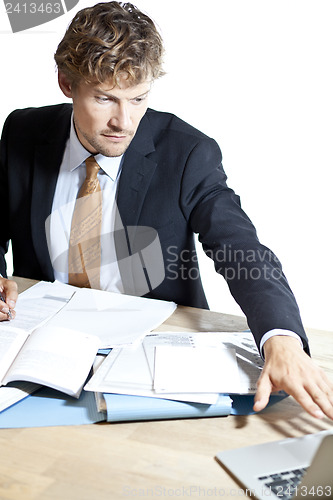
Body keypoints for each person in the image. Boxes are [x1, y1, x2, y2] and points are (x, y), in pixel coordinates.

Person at [0, 1, 332, 420]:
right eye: (105, 98)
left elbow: (241, 248)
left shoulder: (186, 152)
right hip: (42, 347)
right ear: (67, 83)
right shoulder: (22, 132)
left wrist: (280, 338)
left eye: (138, 99)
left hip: (149, 353)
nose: (124, 121)